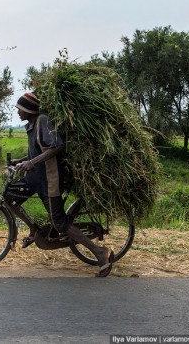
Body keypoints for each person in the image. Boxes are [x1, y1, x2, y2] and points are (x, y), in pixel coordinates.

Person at [11, 92, 114, 277]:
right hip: (34, 179)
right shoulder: (32, 126)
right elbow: (38, 152)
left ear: (29, 109)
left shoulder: (43, 121)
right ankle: (35, 230)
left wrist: (31, 163)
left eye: (20, 108)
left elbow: (57, 145)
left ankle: (99, 253)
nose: (18, 111)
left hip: (49, 180)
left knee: (59, 223)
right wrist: (21, 160)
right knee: (11, 198)